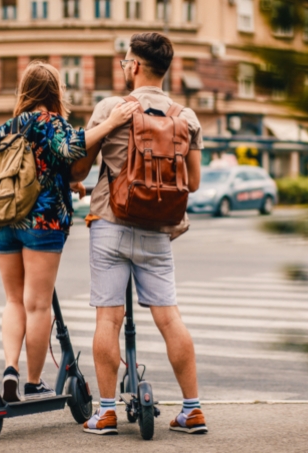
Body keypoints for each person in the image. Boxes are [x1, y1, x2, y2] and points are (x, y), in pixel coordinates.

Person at [0, 61, 137, 402]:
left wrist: (63, 181)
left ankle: (10, 370)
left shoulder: (7, 127)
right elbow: (74, 147)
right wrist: (111, 122)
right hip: (42, 223)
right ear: (54, 93)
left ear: (24, 92)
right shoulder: (50, 122)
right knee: (37, 305)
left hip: (2, 223)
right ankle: (32, 382)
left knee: (14, 301)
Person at [70, 32, 207, 435]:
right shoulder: (187, 117)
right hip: (159, 229)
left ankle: (107, 411)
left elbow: (79, 170)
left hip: (110, 223)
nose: (124, 66)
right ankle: (192, 409)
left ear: (135, 66)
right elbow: (194, 183)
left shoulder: (112, 108)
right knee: (169, 318)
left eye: (125, 61)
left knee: (108, 319)